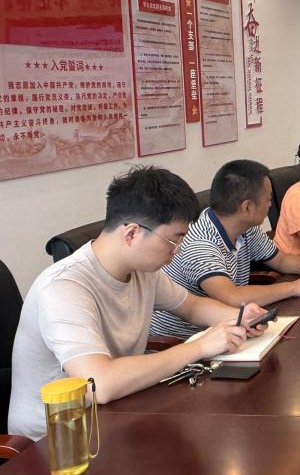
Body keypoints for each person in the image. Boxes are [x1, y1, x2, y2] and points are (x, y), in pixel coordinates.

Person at [8, 166, 270, 440]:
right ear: (131, 233)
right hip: (56, 440)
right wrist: (199, 347)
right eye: (173, 240)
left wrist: (239, 317)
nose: (177, 250)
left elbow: (191, 306)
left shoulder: (143, 270)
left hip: (115, 414)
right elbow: (100, 383)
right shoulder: (63, 288)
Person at [150, 159, 300, 339]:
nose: (270, 205)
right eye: (268, 199)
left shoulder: (245, 227)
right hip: (183, 341)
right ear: (246, 207)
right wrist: (295, 287)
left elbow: (281, 260)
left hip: (228, 328)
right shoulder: (200, 242)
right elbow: (231, 297)